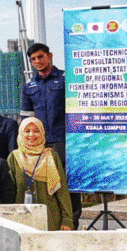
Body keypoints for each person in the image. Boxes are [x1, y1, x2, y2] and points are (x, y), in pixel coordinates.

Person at [21, 43, 78, 224]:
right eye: (33, 59)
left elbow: (76, 109)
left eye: (41, 56)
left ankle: (72, 223)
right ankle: (50, 223)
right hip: (40, 145)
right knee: (43, 185)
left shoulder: (65, 79)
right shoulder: (29, 86)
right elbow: (26, 118)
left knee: (66, 184)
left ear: (50, 55)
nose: (37, 61)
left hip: (63, 141)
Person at [8, 118, 74, 231]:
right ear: (21, 133)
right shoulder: (14, 157)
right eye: (27, 131)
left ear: (42, 133)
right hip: (21, 218)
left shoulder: (50, 155)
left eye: (36, 131)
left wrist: (67, 220)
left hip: (51, 218)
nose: (31, 135)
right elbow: (9, 192)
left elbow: (62, 191)